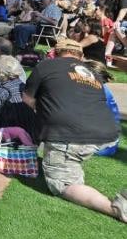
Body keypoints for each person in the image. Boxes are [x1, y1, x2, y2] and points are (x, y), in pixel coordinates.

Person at [22, 38, 126, 222]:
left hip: (70, 135)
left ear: (55, 52)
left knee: (62, 184)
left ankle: (117, 209)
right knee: (74, 155)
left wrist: (45, 110)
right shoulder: (92, 73)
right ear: (81, 56)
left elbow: (27, 99)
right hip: (107, 134)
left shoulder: (46, 65)